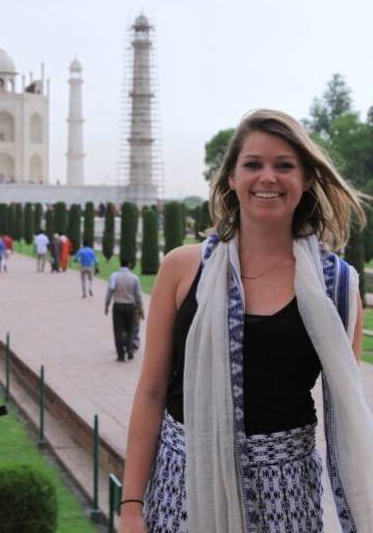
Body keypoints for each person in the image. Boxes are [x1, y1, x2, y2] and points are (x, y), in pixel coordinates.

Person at [120, 109, 373, 533]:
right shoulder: (183, 270)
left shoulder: (336, 285)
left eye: (284, 165)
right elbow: (150, 392)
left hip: (287, 497)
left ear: (307, 178)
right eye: (253, 164)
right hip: (183, 487)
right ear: (231, 179)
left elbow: (348, 416)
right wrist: (131, 507)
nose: (268, 177)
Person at [105, 257, 143, 362]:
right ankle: (130, 350)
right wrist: (140, 310)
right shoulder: (134, 278)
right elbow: (138, 296)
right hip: (130, 306)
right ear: (129, 265)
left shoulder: (114, 276)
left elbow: (109, 292)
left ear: (120, 265)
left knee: (118, 331)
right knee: (130, 330)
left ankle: (120, 355)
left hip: (118, 305)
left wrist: (107, 305)